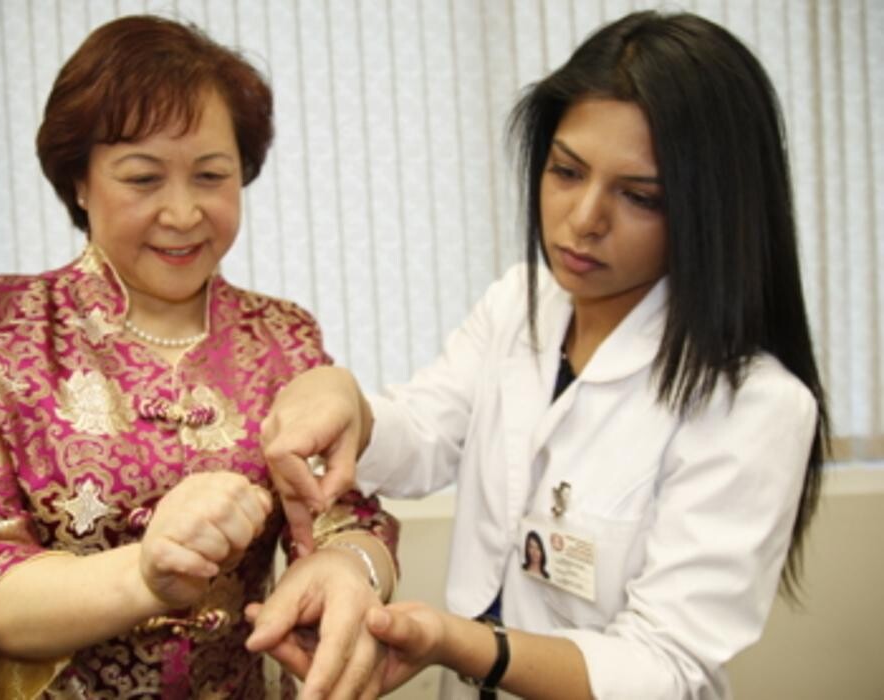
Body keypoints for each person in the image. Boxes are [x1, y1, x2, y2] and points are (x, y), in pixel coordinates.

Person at [255, 10, 830, 699]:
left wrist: (456, 642)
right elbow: (426, 434)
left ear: (711, 209)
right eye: (565, 171)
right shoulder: (516, 305)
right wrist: (346, 402)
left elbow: (665, 666)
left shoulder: (753, 404)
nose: (583, 218)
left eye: (639, 197)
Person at [0, 16, 397, 698]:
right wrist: (141, 577)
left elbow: (346, 514)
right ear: (79, 181)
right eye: (143, 179)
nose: (184, 212)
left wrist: (349, 567)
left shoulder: (283, 336)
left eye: (211, 176)